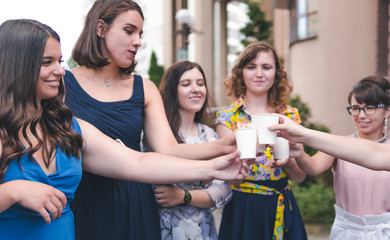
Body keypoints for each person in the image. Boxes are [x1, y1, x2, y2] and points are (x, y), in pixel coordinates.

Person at [0, 18, 250, 240]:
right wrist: (13, 191)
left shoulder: (68, 127)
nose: (59, 71)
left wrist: (213, 166)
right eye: (47, 62)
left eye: (59, 61)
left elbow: (137, 162)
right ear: (17, 65)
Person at [63, 1, 236, 239]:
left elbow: (169, 150)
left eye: (140, 34)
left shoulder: (144, 87)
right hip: (85, 199)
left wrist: (223, 146)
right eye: (129, 30)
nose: (138, 41)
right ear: (101, 29)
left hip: (135, 200)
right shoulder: (62, 84)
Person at [291, 76, 390, 239]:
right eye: (355, 108)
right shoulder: (339, 146)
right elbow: (312, 167)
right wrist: (299, 152)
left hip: (389, 234)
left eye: (370, 107)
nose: (361, 115)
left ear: (387, 110)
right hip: (347, 233)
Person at [215, 41, 307, 240]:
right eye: (251, 67)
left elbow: (300, 177)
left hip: (280, 204)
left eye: (266, 67)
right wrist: (241, 170)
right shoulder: (227, 118)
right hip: (243, 206)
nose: (259, 74)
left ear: (277, 73)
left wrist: (288, 161)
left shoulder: (289, 116)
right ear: (241, 73)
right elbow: (227, 177)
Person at [154, 60, 232, 240]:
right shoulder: (159, 135)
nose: (196, 89)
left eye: (201, 83)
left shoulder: (210, 135)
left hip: (202, 228)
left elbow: (223, 190)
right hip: (162, 226)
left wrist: (183, 196)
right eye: (186, 84)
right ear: (173, 90)